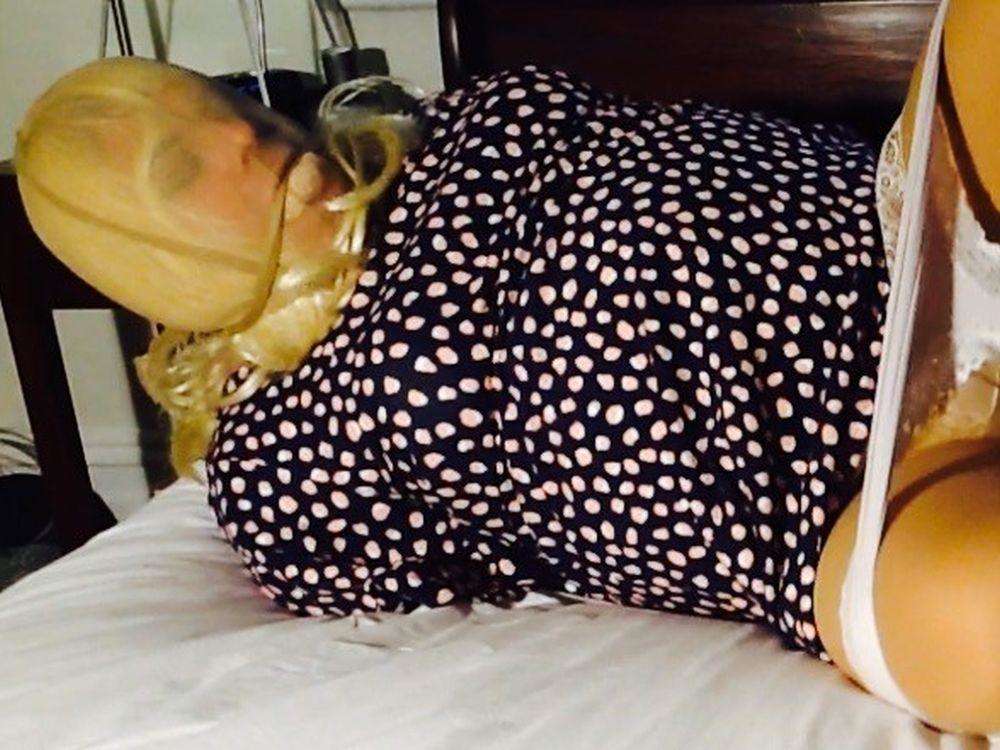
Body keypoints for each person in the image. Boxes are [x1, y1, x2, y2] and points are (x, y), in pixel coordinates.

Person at [13, 1, 998, 735]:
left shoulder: (446, 121)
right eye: (184, 166)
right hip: (843, 489)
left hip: (927, 232)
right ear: (144, 260)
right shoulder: (273, 455)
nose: (239, 132)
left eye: (213, 100)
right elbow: (460, 581)